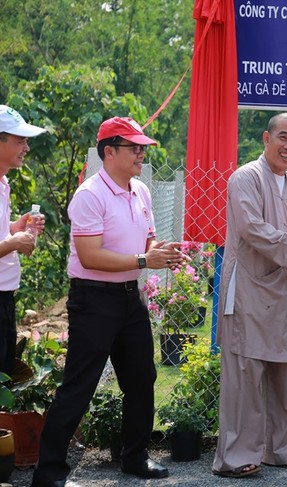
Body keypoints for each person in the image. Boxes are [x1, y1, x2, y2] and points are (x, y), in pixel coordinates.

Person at [32, 117, 184, 487]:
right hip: (94, 300)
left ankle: (135, 458)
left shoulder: (140, 191)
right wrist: (147, 260)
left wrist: (157, 251)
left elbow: (147, 240)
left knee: (141, 378)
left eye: (142, 147)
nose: (141, 153)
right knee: (79, 385)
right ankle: (49, 474)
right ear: (109, 152)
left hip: (129, 299)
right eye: (133, 147)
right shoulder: (89, 195)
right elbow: (90, 256)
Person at [212, 112, 287, 478]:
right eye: (284, 137)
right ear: (266, 138)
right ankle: (237, 456)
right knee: (245, 373)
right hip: (249, 287)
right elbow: (253, 230)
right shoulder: (245, 177)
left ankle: (279, 449)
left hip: (282, 286)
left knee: (285, 370)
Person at [0, 105, 46, 376]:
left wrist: (15, 227)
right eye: (19, 141)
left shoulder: (4, 183)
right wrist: (15, 242)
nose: (26, 148)